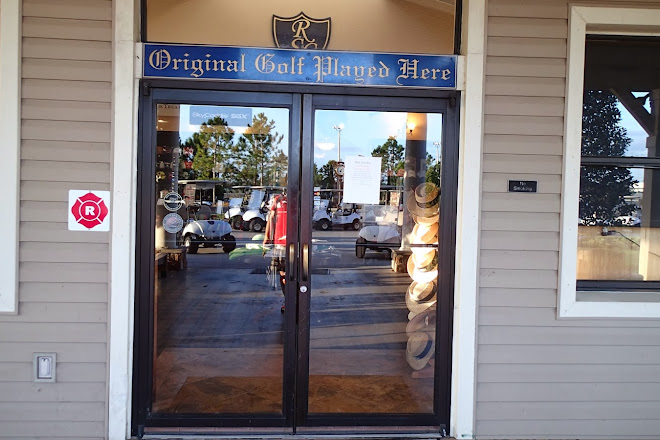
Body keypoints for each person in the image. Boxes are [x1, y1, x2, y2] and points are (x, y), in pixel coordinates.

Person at [263, 194, 287, 310]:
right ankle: (288, 299)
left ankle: (291, 299)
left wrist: (267, 238)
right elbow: (271, 218)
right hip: (280, 243)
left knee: (289, 274)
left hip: (292, 244)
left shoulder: (299, 199)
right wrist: (267, 238)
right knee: (284, 273)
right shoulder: (277, 200)